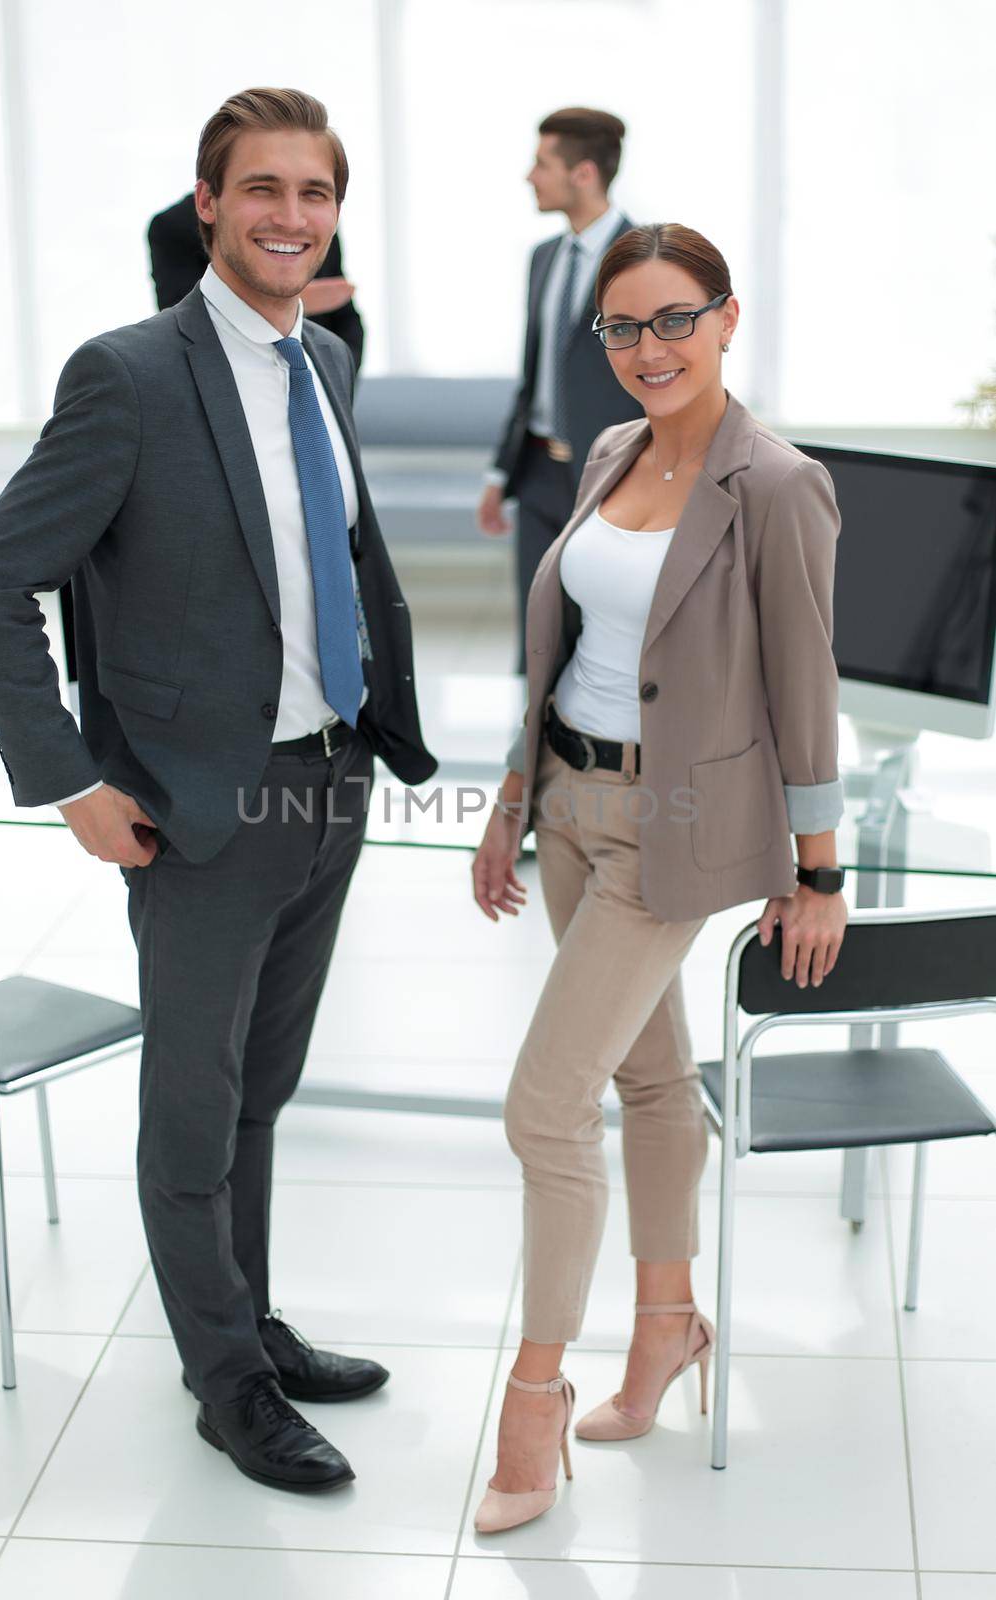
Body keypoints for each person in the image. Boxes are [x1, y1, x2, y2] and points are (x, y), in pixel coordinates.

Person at [0, 86, 436, 1496]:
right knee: (192, 1104)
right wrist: (73, 783)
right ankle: (226, 1383)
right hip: (198, 808)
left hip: (328, 782)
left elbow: (331, 562)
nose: (291, 215)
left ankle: (250, 1325)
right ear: (209, 202)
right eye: (263, 189)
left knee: (260, 1095)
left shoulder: (325, 363)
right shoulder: (130, 376)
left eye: (316, 193)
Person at [469, 223, 848, 1534]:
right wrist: (511, 808)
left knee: (543, 1108)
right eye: (623, 328)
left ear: (727, 319)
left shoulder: (778, 484)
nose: (648, 349)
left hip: (669, 829)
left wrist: (821, 869)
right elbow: (564, 641)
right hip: (567, 803)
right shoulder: (618, 451)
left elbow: (806, 689)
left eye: (674, 319)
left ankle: (532, 1401)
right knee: (641, 1075)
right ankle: (667, 1326)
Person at [477, 107, 642, 671]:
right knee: (540, 636)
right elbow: (533, 376)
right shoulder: (543, 258)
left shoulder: (648, 259)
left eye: (541, 163)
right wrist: (501, 474)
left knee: (607, 636)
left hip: (614, 477)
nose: (530, 176)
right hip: (540, 475)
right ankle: (534, 751)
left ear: (584, 174)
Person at [147, 189, 366, 373]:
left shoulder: (314, 223)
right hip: (221, 379)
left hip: (314, 374)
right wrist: (289, 303)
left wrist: (333, 383)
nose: (291, 220)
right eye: (260, 186)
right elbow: (182, 319)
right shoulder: (172, 226)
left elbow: (348, 321)